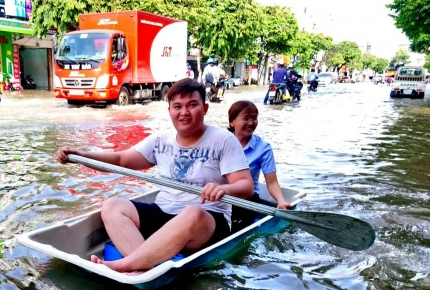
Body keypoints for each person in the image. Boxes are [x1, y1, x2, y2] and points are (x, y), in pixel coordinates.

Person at [56, 78, 254, 272]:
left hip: (207, 221)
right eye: (177, 106)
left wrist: (223, 188)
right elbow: (120, 160)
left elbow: (246, 186)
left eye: (192, 105)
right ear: (170, 111)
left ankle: (128, 264)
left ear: (205, 109)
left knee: (193, 212)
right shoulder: (161, 140)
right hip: (164, 213)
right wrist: (81, 156)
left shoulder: (224, 140)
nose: (184, 112)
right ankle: (144, 268)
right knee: (112, 206)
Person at [227, 100, 290, 231]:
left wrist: (281, 201)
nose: (251, 123)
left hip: (247, 200)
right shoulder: (222, 142)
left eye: (254, 118)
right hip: (222, 197)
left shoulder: (263, 147)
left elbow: (272, 182)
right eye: (246, 118)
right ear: (232, 121)